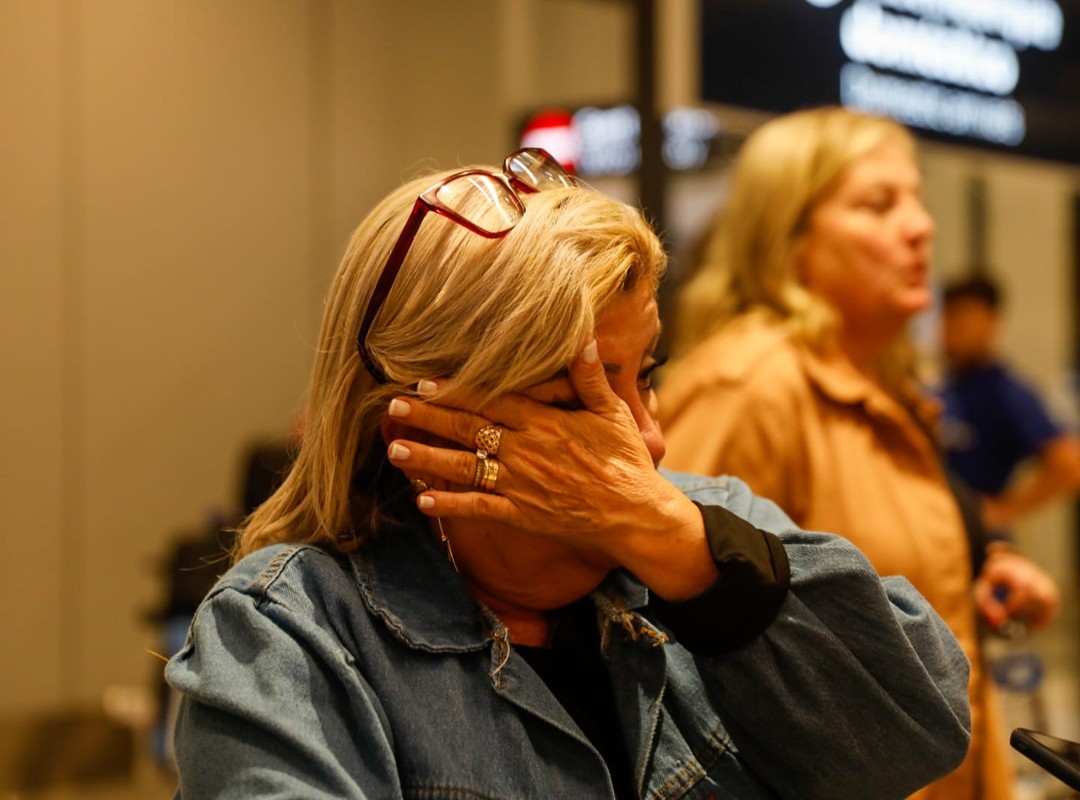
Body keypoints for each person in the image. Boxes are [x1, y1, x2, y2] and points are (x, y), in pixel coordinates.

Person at [165, 147, 972, 798]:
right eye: (577, 399)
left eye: (643, 377)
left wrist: (681, 547)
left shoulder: (698, 523)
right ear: (421, 416)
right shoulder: (291, 635)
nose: (646, 444)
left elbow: (919, 734)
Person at [657, 108, 1060, 800]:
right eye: (879, 204)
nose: (921, 226)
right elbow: (672, 627)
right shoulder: (754, 384)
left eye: (917, 199)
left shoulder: (884, 384)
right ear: (792, 237)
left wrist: (975, 575)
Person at [938, 273, 1080, 538]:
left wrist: (1003, 510)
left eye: (964, 317)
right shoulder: (944, 387)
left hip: (977, 549)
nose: (953, 327)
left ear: (992, 322)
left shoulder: (1005, 393)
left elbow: (1075, 465)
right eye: (949, 316)